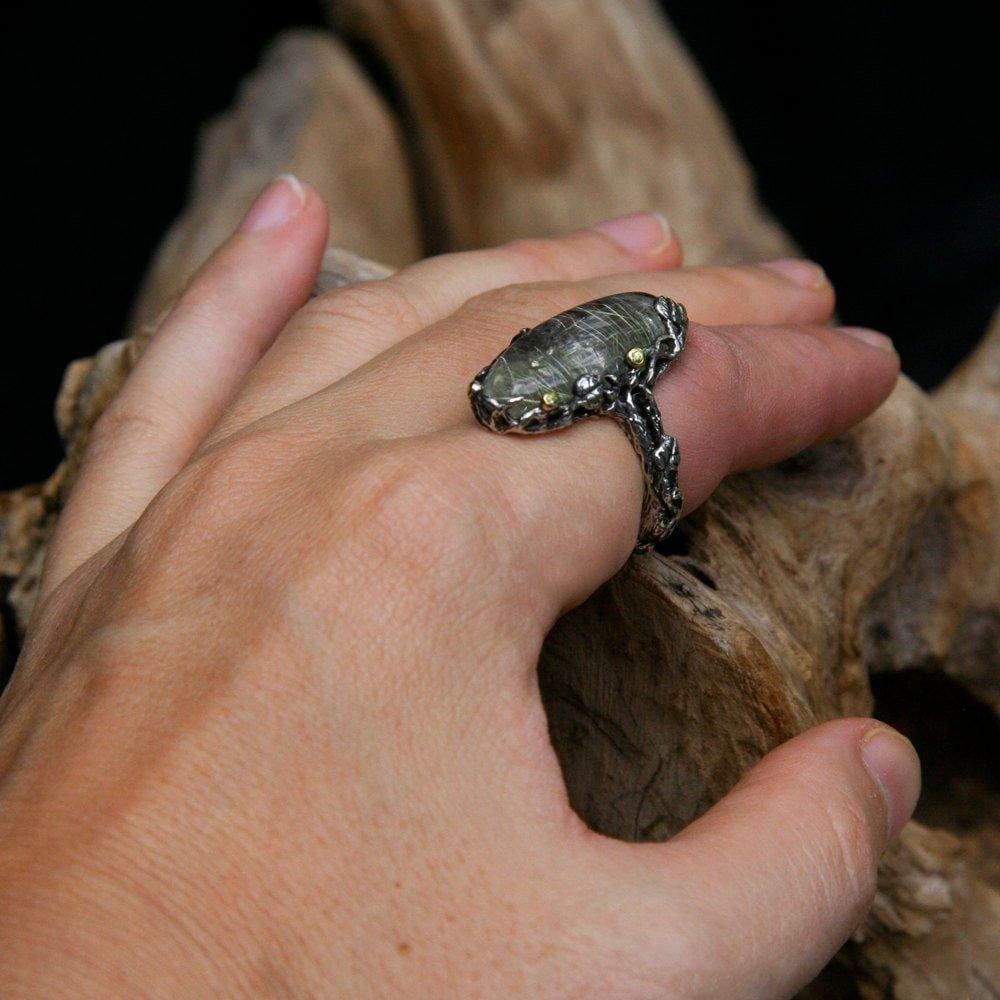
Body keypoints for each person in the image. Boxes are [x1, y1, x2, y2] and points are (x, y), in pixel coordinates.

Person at [0, 176, 920, 997]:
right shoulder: (520, 391)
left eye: (523, 412)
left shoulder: (634, 394)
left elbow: (641, 408)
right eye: (493, 394)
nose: (492, 412)